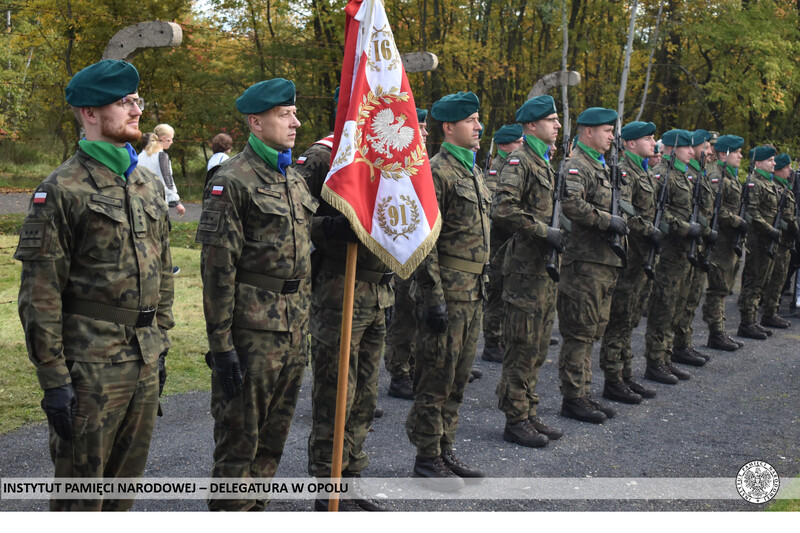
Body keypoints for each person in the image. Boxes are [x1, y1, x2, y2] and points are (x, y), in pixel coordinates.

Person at [15, 59, 174, 511]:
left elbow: (163, 272)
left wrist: (159, 342)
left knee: (123, 494)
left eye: (137, 100)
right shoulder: (62, 188)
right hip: (90, 370)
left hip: (142, 360)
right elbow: (39, 294)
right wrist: (53, 380)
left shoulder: (145, 183)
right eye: (124, 102)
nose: (136, 109)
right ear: (89, 112)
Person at [196, 78, 317, 512]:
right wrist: (221, 345)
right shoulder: (232, 180)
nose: (295, 121)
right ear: (256, 121)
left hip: (294, 327)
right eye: (284, 114)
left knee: (273, 438)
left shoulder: (292, 176)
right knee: (239, 441)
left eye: (293, 112)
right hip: (253, 334)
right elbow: (216, 270)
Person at [294, 89, 393, 513]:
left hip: (377, 288)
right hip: (339, 287)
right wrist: (330, 228)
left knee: (366, 393)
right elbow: (293, 216)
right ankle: (327, 483)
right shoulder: (323, 156)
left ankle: (351, 476)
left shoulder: (386, 155)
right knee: (337, 391)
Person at [407, 91, 490, 490]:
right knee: (435, 377)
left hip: (473, 291)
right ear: (448, 127)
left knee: (457, 378)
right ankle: (426, 457)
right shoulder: (434, 172)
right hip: (448, 293)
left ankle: (444, 447)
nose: (479, 127)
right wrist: (433, 297)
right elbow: (425, 243)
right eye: (472, 120)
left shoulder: (472, 171)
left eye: (478, 120)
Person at [491, 95, 564, 446]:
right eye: (552, 119)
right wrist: (544, 231)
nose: (559, 125)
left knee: (537, 345)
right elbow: (502, 209)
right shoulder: (521, 160)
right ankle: (515, 417)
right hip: (523, 269)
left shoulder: (543, 161)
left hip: (542, 269)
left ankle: (529, 410)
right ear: (532, 125)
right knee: (522, 345)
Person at [556, 107, 626, 424]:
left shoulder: (600, 165)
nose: (611, 136)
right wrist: (607, 221)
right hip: (584, 263)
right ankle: (573, 398)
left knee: (593, 331)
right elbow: (572, 204)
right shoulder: (576, 164)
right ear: (588, 132)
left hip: (602, 263)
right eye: (607, 130)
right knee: (579, 334)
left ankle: (583, 393)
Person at [598, 120, 660, 405]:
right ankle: (613, 378)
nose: (653, 143)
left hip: (642, 257)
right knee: (620, 318)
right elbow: (624, 215)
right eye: (648, 139)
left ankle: (625, 372)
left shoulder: (644, 172)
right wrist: (650, 230)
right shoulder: (625, 172)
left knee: (631, 317)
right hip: (628, 255)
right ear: (631, 143)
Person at [642, 129, 698, 385]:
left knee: (674, 305)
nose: (692, 151)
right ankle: (655, 361)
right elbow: (656, 213)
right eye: (687, 147)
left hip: (680, 254)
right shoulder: (661, 174)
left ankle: (665, 357)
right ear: (674, 149)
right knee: (662, 307)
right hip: (666, 252)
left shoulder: (681, 175)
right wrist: (685, 228)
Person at [384, 107, 429, 400]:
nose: (423, 132)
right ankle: (399, 372)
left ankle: (410, 364)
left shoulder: (415, 162)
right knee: (403, 316)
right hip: (400, 252)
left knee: (414, 315)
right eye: (419, 126)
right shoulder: (395, 161)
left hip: (417, 249)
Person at [669, 130, 715, 367]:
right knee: (669, 306)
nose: (708, 151)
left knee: (689, 298)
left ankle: (682, 345)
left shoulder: (695, 174)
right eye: (703, 146)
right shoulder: (673, 174)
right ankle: (665, 355)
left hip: (695, 244)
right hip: (676, 248)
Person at [481, 123, 523, 364]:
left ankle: (504, 337)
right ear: (505, 145)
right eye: (517, 142)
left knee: (509, 293)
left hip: (511, 244)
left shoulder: (513, 167)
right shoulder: (496, 171)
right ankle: (492, 342)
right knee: (496, 294)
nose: (521, 146)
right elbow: (496, 210)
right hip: (497, 245)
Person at [701, 135, 747, 350]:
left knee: (724, 287)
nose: (740, 156)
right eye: (736, 152)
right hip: (719, 239)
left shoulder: (729, 174)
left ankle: (720, 331)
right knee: (718, 288)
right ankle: (716, 333)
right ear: (723, 154)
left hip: (729, 240)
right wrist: (738, 220)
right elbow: (715, 210)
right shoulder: (715, 175)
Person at [737, 145, 780, 339]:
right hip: (759, 239)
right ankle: (746, 322)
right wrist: (770, 229)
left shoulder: (767, 182)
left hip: (768, 239)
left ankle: (752, 320)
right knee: (753, 282)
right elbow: (752, 213)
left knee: (761, 281)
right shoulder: (754, 182)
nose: (774, 163)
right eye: (770, 160)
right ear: (758, 163)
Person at [138, 123, 184, 275]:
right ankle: (164, 268)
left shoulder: (141, 155)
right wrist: (176, 202)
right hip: (157, 203)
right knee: (162, 235)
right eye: (170, 140)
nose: (171, 142)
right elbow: (167, 179)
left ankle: (147, 266)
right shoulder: (161, 156)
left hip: (140, 201)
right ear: (164, 139)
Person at [760, 152, 798, 328]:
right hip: (777, 239)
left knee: (780, 276)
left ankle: (771, 312)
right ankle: (758, 316)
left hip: (785, 240)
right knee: (770, 277)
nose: (790, 171)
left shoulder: (785, 187)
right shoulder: (775, 187)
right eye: (787, 168)